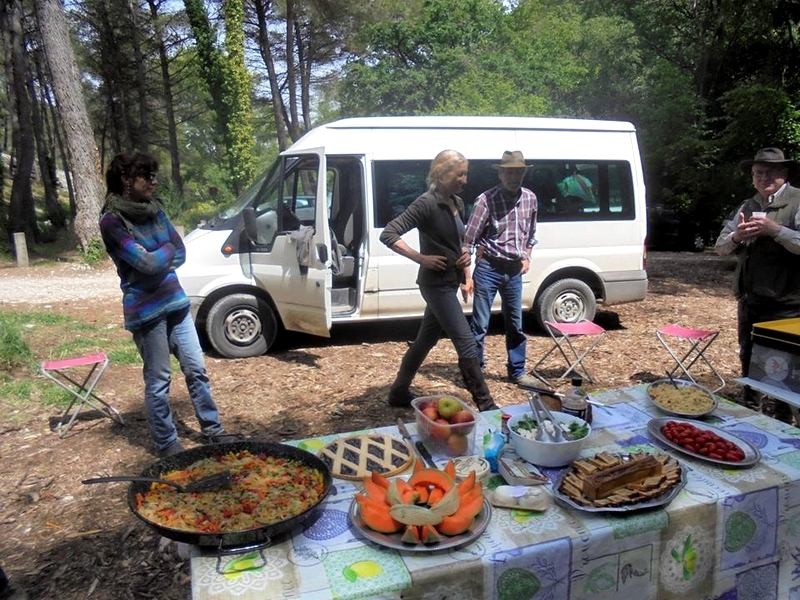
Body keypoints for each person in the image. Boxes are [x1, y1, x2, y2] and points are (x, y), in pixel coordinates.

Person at [100, 151, 240, 457]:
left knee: (197, 370)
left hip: (177, 303)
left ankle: (213, 431)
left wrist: (155, 254)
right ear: (126, 180)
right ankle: (167, 444)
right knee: (159, 380)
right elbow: (145, 263)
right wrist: (159, 253)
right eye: (146, 176)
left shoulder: (155, 209)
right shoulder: (111, 221)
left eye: (153, 175)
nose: (154, 181)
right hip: (147, 312)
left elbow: (180, 251)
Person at [380, 150, 499, 412]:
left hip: (450, 282)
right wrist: (421, 258)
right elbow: (389, 234)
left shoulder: (456, 201)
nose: (465, 180)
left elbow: (459, 242)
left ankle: (398, 393)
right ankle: (487, 406)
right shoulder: (426, 203)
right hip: (434, 285)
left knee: (425, 341)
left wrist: (466, 270)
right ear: (443, 173)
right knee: (466, 341)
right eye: (460, 174)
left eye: (465, 174)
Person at [715, 147, 800, 423]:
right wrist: (737, 236)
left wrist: (776, 231)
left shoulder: (798, 202)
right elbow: (720, 247)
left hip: (787, 304)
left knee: (783, 370)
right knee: (749, 361)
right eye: (758, 173)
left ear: (784, 174)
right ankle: (750, 418)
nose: (763, 177)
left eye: (770, 172)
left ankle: (784, 426)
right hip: (751, 301)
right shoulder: (746, 205)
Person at [463, 151, 539, 388]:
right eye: (508, 171)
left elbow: (532, 233)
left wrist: (527, 256)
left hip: (514, 270)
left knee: (515, 324)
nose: (513, 176)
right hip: (488, 268)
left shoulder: (530, 198)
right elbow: (468, 240)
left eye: (517, 171)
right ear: (500, 173)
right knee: (480, 325)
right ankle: (475, 374)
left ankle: (517, 371)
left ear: (523, 173)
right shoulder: (486, 200)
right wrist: (466, 275)